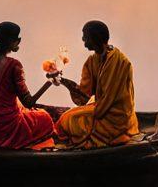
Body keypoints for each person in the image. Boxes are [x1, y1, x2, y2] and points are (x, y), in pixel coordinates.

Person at [54, 20, 139, 148]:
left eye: (85, 37)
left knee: (70, 120)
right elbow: (84, 93)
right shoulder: (92, 60)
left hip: (116, 116)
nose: (83, 40)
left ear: (95, 38)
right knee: (66, 117)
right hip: (100, 107)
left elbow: (109, 98)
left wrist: (92, 114)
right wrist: (62, 81)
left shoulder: (119, 61)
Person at [0, 21, 55, 149]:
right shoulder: (14, 65)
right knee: (45, 118)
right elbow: (29, 102)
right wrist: (49, 83)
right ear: (14, 41)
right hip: (8, 128)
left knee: (21, 107)